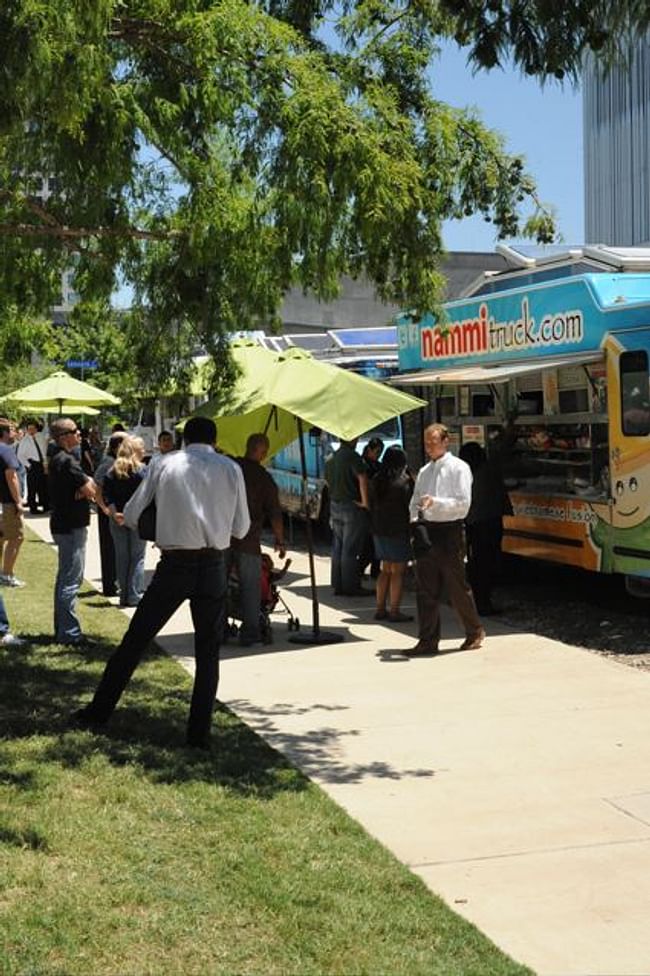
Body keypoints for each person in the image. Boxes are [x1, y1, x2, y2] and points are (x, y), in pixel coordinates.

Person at [71, 416, 250, 749]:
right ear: (214, 439)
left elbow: (136, 512)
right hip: (213, 564)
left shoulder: (165, 464)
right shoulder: (230, 468)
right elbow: (241, 528)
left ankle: (99, 712)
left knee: (136, 640)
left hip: (175, 564)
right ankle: (199, 735)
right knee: (208, 652)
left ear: (183, 439)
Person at [408, 423, 485, 656]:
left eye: (433, 442)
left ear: (445, 442)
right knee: (425, 588)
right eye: (426, 443)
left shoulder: (459, 468)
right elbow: (414, 501)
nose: (429, 447)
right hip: (427, 530)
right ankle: (428, 639)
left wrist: (437, 502)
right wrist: (415, 523)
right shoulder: (424, 471)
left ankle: (474, 631)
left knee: (456, 586)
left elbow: (463, 504)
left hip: (450, 531)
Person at [232, 433, 287, 646]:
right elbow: (275, 512)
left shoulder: (231, 467)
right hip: (248, 539)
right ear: (262, 452)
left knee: (218, 586)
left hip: (222, 538)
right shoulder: (263, 478)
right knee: (251, 587)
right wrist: (280, 540)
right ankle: (250, 633)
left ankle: (217, 630)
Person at [48, 418, 96, 645]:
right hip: (71, 526)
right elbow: (91, 490)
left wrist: (84, 488)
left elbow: (85, 489)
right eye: (77, 431)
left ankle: (62, 630)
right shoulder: (68, 461)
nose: (80, 435)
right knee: (71, 581)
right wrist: (85, 487)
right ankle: (70, 634)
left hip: (62, 524)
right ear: (64, 436)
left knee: (64, 578)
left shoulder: (57, 459)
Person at [459, 441, 513, 616]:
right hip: (488, 523)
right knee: (488, 563)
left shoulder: (467, 474)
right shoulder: (487, 471)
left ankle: (478, 601)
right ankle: (484, 604)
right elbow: (500, 450)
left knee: (477, 564)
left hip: (473, 523)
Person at [369, 446, 414, 623]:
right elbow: (410, 507)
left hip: (379, 530)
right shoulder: (403, 482)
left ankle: (380, 608)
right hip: (398, 530)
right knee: (398, 572)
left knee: (385, 569)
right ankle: (395, 610)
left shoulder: (377, 480)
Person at [102, 436, 148, 607]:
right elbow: (146, 496)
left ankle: (123, 595)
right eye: (141, 448)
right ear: (134, 450)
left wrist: (115, 514)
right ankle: (134, 594)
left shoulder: (111, 471)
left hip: (117, 518)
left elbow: (107, 496)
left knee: (122, 557)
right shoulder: (142, 471)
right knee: (137, 557)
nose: (144, 451)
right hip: (137, 518)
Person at [325, 437, 371, 596]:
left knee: (338, 545)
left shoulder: (331, 458)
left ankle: (338, 584)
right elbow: (362, 478)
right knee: (350, 548)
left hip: (335, 504)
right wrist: (365, 502)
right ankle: (351, 587)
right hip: (351, 506)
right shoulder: (353, 456)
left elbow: (327, 481)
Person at [94, 431, 128, 597]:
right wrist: (104, 508)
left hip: (111, 511)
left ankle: (113, 584)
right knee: (109, 549)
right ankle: (110, 586)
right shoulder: (108, 463)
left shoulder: (115, 462)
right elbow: (96, 487)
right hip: (108, 512)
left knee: (114, 549)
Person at [0, 419, 26, 588]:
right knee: (17, 537)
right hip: (8, 502)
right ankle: (7, 575)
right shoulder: (6, 450)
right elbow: (12, 476)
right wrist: (18, 502)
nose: (15, 433)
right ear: (4, 433)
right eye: (11, 430)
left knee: (1, 538)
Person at [359, 436, 384, 579]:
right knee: (369, 542)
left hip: (376, 508)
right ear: (369, 449)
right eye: (377, 451)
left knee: (375, 541)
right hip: (367, 507)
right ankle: (361, 568)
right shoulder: (364, 465)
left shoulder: (377, 465)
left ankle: (375, 569)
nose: (378, 454)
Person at [16, 420, 49, 514]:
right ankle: (33, 507)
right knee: (32, 487)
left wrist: (45, 463)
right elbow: (20, 455)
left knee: (43, 486)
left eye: (33, 428)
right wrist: (28, 465)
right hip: (32, 464)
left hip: (41, 463)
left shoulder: (40, 437)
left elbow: (44, 450)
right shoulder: (25, 440)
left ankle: (45, 505)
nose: (31, 431)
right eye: (29, 429)